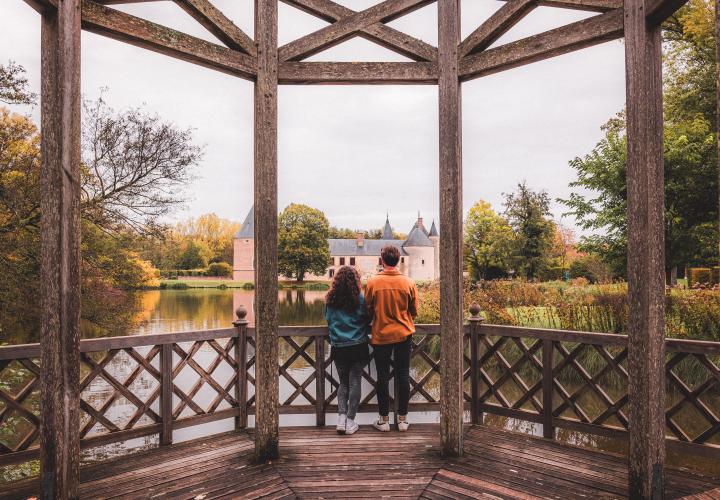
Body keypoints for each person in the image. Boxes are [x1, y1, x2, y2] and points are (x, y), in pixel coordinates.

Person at [365, 245, 418, 432]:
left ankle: (384, 420)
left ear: (382, 260)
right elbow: (414, 311)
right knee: (403, 375)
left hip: (381, 335)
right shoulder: (409, 282)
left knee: (382, 377)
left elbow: (368, 311)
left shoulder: (372, 282)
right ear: (398, 260)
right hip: (404, 334)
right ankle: (402, 420)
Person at [325, 265, 370, 435]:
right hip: (358, 346)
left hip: (339, 347)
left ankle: (341, 419)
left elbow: (328, 319)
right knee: (355, 381)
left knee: (343, 383)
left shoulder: (330, 298)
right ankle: (351, 420)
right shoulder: (359, 298)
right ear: (355, 280)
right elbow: (366, 317)